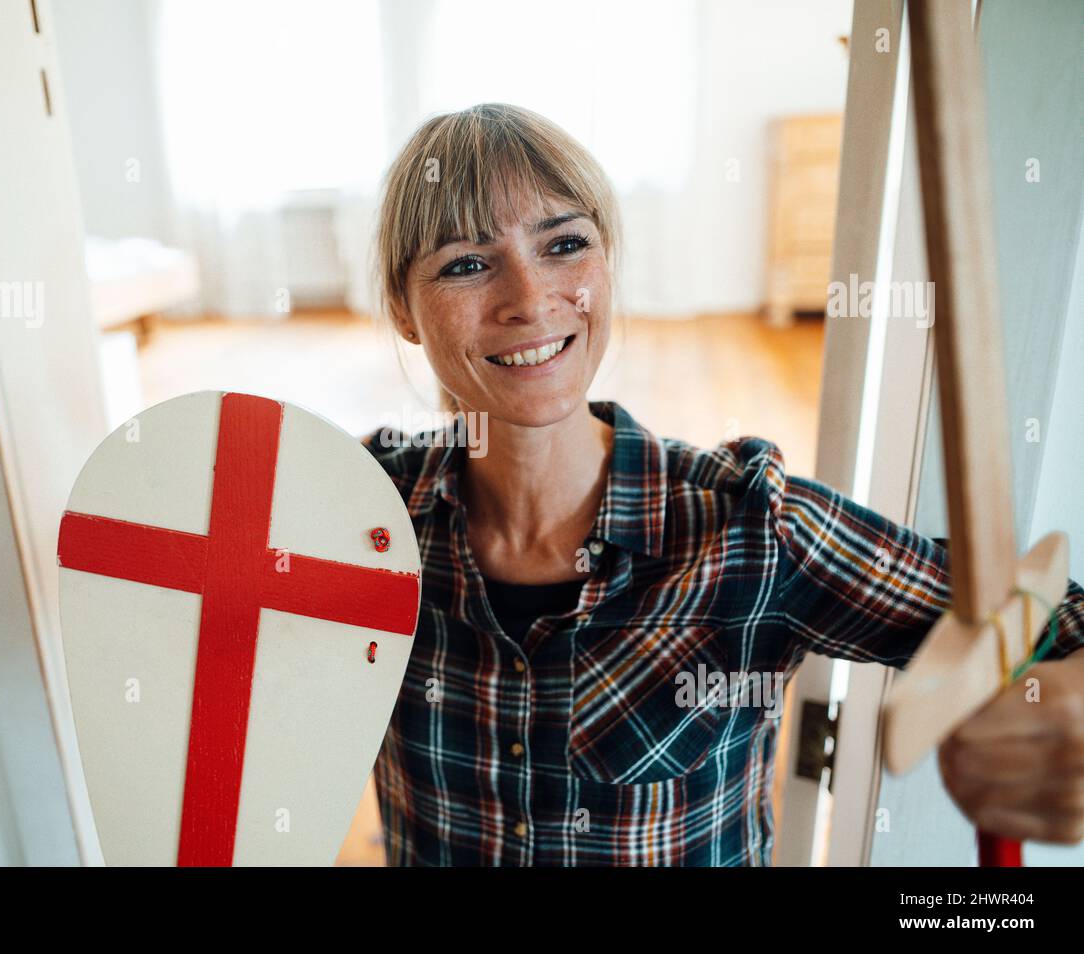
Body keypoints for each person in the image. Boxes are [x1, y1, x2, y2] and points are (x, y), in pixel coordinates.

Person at [359, 102, 1084, 866]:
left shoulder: (752, 532)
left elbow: (1060, 624)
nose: (530, 299)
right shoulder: (361, 515)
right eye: (466, 264)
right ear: (405, 308)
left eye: (566, 244)